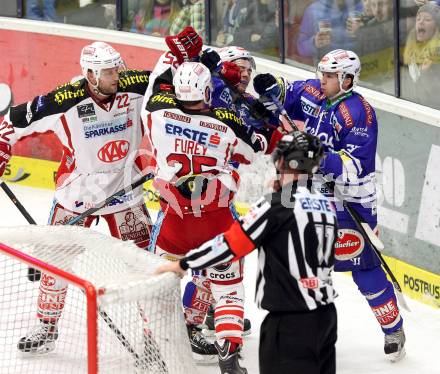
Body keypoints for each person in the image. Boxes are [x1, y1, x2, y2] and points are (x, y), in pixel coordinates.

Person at [252, 49, 406, 362]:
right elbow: (283, 95)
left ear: (348, 79)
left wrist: (317, 155)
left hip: (349, 196)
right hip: (312, 186)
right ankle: (299, 324)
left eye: (330, 75)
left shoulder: (359, 113)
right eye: (322, 72)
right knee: (296, 254)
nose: (323, 79)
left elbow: (354, 167)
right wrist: (270, 92)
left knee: (363, 264)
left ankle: (393, 327)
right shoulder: (312, 90)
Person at [0, 41, 153, 354]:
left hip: (127, 194)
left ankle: (155, 330)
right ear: (91, 74)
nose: (117, 75)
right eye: (109, 71)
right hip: (77, 196)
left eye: (117, 68)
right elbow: (10, 124)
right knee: (56, 262)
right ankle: (47, 324)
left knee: (146, 265)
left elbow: (175, 87)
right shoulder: (62, 100)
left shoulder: (137, 85)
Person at [155, 131, 338, 374]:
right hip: (326, 317)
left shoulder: (277, 204)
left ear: (284, 162)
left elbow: (230, 244)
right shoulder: (326, 203)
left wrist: (184, 264)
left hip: (289, 322)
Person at [142, 60, 267, 372]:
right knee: (228, 292)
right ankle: (229, 358)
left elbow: (154, 87)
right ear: (207, 90)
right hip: (217, 221)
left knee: (160, 288)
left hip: (174, 222)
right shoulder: (226, 122)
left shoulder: (156, 110)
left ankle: (151, 347)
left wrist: (172, 57)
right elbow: (256, 149)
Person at [297, 0, 361, 64]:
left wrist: (363, 31)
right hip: (328, 69)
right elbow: (301, 48)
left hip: (358, 65)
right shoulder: (313, 10)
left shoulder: (361, 6)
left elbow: (370, 42)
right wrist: (314, 43)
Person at [402, 3, 440, 109]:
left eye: (427, 20)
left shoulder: (437, 54)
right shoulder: (411, 44)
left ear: (437, 26)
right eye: (418, 19)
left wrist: (428, 72)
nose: (421, 22)